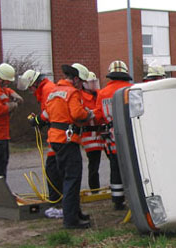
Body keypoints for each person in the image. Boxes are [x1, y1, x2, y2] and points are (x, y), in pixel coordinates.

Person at [41, 63, 94, 229]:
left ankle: (75, 212)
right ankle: (71, 219)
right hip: (67, 140)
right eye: (82, 81)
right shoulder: (72, 92)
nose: (82, 85)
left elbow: (46, 114)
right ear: (76, 79)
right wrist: (88, 113)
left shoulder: (54, 91)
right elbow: (77, 113)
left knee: (66, 177)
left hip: (56, 139)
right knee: (72, 178)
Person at [18, 69, 63, 217]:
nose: (31, 90)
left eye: (31, 87)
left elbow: (49, 112)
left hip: (58, 136)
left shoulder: (47, 89)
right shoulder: (46, 89)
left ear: (35, 83)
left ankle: (57, 202)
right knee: (54, 168)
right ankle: (57, 201)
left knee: (52, 169)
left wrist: (37, 120)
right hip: (56, 134)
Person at [94, 60, 133, 210]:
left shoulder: (102, 93)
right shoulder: (132, 89)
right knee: (132, 168)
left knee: (115, 168)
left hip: (112, 139)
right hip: (131, 138)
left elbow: (98, 116)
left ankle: (117, 200)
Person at [80, 72, 106, 192]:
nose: (94, 84)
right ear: (84, 84)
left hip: (102, 133)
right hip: (90, 135)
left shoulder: (99, 94)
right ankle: (95, 189)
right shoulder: (81, 97)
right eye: (92, 82)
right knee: (94, 165)